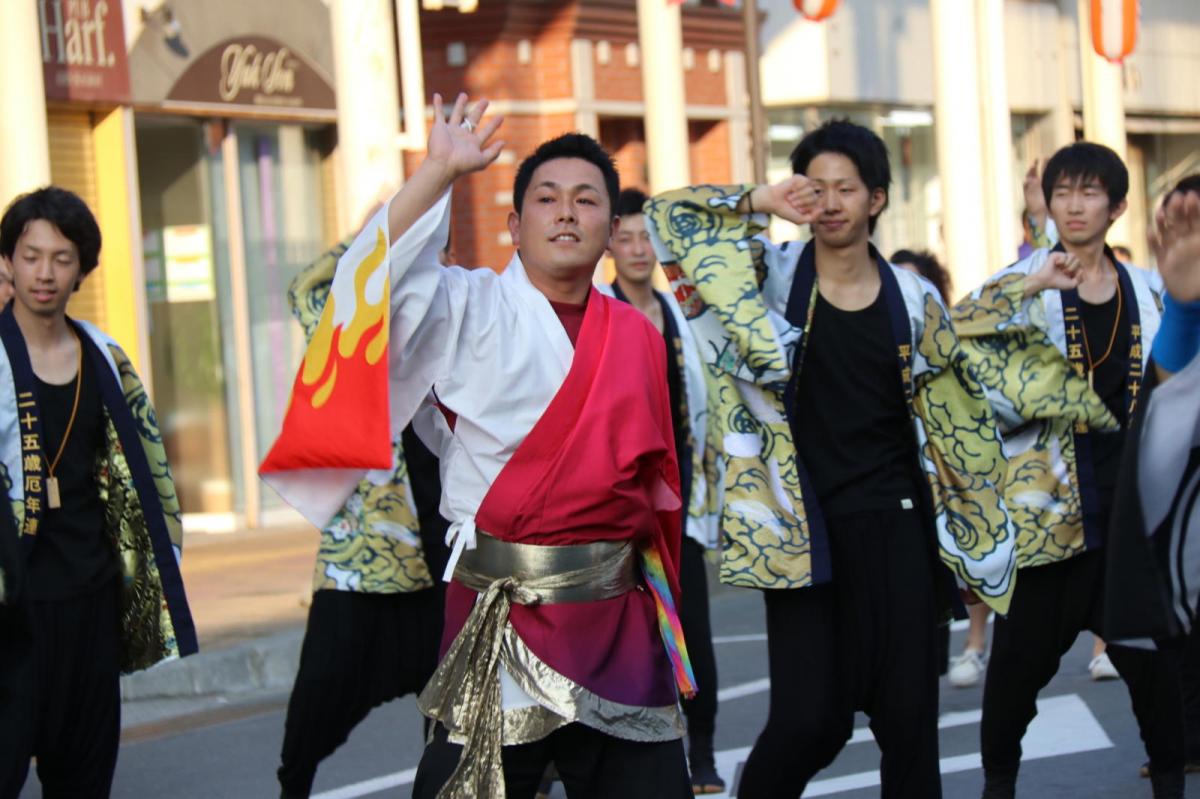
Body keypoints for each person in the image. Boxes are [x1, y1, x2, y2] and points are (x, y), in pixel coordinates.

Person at [259, 94, 694, 799]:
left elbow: (657, 487)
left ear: (611, 229)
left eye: (586, 201)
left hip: (616, 617)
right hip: (502, 615)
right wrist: (436, 172)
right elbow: (368, 284)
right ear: (513, 224)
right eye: (546, 198)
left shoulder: (639, 333)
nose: (565, 212)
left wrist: (670, 614)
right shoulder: (466, 306)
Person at [647, 119, 1018, 799]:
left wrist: (978, 539)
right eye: (815, 188)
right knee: (808, 722)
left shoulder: (916, 301)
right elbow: (665, 222)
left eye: (847, 188)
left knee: (910, 729)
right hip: (801, 537)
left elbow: (960, 428)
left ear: (877, 198)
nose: (832, 202)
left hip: (899, 532)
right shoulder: (766, 278)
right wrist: (759, 200)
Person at [953, 141, 1185, 799]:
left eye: (1089, 193)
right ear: (1047, 203)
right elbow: (945, 337)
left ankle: (1170, 782)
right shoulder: (1022, 284)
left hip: (1130, 515)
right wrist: (1027, 281)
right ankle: (999, 783)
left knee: (1153, 671)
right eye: (1063, 193)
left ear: (1116, 205)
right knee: (1014, 675)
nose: (1075, 205)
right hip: (1045, 518)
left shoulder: (1148, 289)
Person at [0, 187, 197, 798]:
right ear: (7, 262)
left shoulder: (104, 356)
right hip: (13, 611)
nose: (44, 273)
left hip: (89, 602)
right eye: (30, 256)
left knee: (84, 779)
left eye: (61, 258)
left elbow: (144, 471)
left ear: (82, 268)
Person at [276, 234, 450, 799]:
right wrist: (388, 233)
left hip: (445, 557)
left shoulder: (452, 334)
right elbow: (306, 288)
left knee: (454, 722)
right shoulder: (351, 343)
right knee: (317, 699)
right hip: (363, 563)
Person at [603, 187, 725, 793]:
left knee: (692, 634)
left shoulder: (679, 311)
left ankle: (700, 752)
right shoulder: (601, 312)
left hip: (682, 506)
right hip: (621, 506)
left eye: (645, 237)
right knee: (620, 640)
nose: (635, 249)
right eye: (623, 237)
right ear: (609, 245)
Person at [1103, 176, 1200, 781]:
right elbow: (1164, 389)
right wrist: (1186, 306)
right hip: (1183, 510)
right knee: (1178, 632)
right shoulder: (1176, 299)